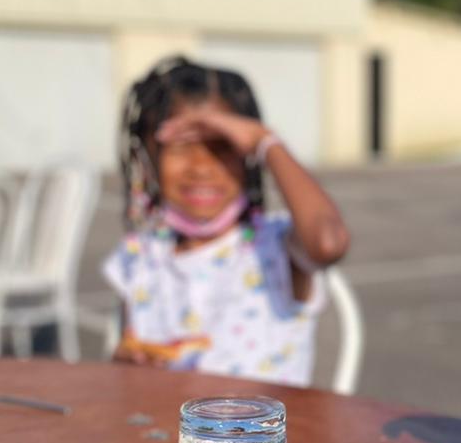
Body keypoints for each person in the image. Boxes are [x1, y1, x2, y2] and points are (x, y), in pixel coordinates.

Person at [103, 56, 349, 386]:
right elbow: (130, 370)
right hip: (170, 436)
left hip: (269, 438)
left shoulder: (274, 247)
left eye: (223, 147)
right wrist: (126, 366)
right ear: (146, 159)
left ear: (248, 158)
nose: (202, 166)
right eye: (181, 147)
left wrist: (265, 142)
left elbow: (327, 243)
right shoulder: (139, 258)